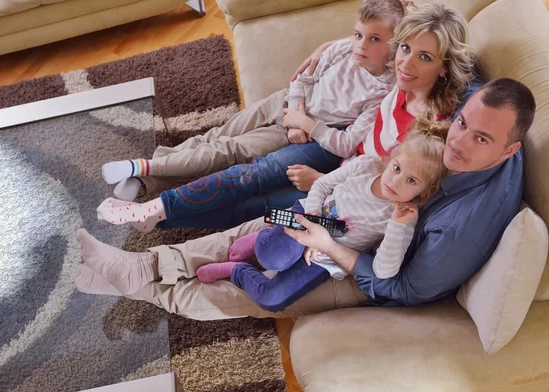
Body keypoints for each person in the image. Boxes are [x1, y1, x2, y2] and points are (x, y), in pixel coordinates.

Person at [74, 78, 535, 319]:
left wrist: (330, 245)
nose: (459, 142)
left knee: (260, 288)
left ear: (509, 150)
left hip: (363, 269)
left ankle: (143, 285)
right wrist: (315, 212)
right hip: (337, 218)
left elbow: (404, 289)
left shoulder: (463, 228)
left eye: (481, 140)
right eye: (461, 125)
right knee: (263, 229)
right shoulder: (476, 104)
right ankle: (140, 266)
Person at [95, 3, 475, 232]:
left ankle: (159, 219)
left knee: (260, 209)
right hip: (337, 161)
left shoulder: (424, 124)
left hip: (343, 184)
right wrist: (333, 47)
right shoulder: (399, 81)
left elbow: (386, 180)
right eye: (403, 50)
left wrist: (324, 181)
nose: (405, 63)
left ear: (444, 67)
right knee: (250, 170)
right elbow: (370, 42)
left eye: (422, 57)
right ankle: (154, 199)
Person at [101, 0, 404, 201]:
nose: (360, 46)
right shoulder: (341, 48)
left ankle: (141, 168)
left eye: (374, 39)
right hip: (284, 102)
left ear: (394, 45)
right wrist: (296, 109)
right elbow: (303, 79)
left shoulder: (383, 93)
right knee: (216, 135)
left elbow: (347, 143)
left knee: (229, 150)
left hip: (293, 132)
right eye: (357, 35)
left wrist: (304, 126)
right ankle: (146, 177)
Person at [194, 118, 448, 313]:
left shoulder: (403, 219)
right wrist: (312, 223)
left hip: (326, 256)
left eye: (412, 180)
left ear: (425, 191)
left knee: (272, 300)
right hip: (307, 216)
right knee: (273, 256)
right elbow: (321, 185)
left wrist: (396, 226)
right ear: (391, 158)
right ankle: (259, 240)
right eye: (397, 168)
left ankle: (237, 270)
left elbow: (383, 271)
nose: (396, 181)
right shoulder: (366, 165)